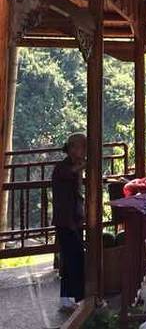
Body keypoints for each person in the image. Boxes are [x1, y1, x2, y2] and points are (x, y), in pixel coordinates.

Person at [52, 132, 87, 312]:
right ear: (72, 148)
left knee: (71, 259)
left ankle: (67, 298)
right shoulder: (62, 168)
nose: (85, 150)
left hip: (74, 219)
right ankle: (79, 299)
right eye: (83, 147)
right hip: (66, 221)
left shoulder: (73, 167)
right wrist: (84, 165)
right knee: (75, 259)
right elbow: (68, 173)